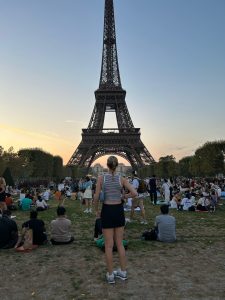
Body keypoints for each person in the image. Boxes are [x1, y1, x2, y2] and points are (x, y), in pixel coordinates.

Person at [94, 156, 137, 284]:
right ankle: (123, 272)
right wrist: (124, 196)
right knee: (119, 243)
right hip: (118, 210)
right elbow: (134, 193)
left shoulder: (101, 178)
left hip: (107, 210)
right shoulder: (122, 179)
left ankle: (111, 274)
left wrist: (96, 209)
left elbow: (96, 196)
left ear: (107, 165)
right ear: (117, 166)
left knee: (108, 245)